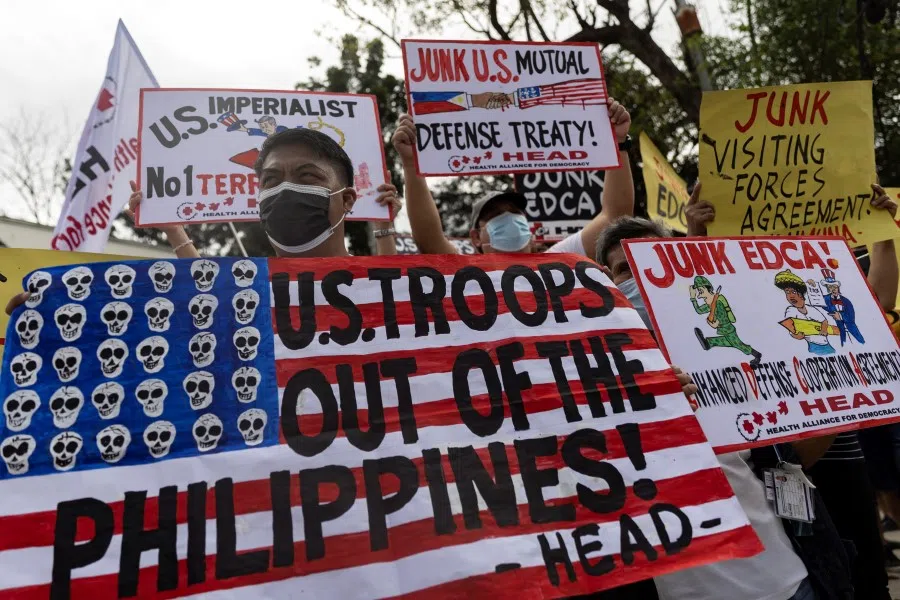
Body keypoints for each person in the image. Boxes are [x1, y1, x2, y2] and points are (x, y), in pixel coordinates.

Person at [687, 181, 897, 600]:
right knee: (805, 570)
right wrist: (695, 237)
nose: (791, 294)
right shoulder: (749, 309)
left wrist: (880, 229)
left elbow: (878, 299)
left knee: (862, 575)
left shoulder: (825, 299)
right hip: (768, 461)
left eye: (795, 289)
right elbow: (696, 299)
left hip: (840, 453)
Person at [6, 129, 402, 314]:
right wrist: (62, 313)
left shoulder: (398, 290)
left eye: (307, 177)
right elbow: (200, 296)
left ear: (347, 199)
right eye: (271, 179)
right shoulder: (244, 295)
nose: (285, 190)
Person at [392, 98, 635, 257]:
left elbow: (615, 215)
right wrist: (412, 164)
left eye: (515, 213)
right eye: (495, 216)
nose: (508, 219)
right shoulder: (469, 273)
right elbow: (428, 240)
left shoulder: (557, 261)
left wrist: (618, 143)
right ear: (476, 237)